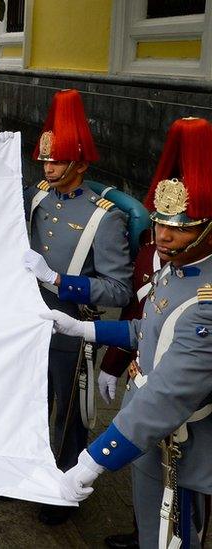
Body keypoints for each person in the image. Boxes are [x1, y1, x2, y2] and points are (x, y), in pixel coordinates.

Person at [48, 117, 212, 549]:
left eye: (180, 227)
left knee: (173, 540)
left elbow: (171, 393)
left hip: (180, 443)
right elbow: (148, 330)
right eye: (160, 222)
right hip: (143, 432)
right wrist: (85, 327)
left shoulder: (206, 297)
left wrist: (93, 460)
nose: (163, 235)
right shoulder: (178, 272)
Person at [22, 88, 133, 525]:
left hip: (71, 329)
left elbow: (119, 290)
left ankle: (64, 488)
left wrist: (58, 280)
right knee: (27, 402)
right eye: (45, 159)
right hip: (29, 320)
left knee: (67, 414)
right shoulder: (38, 197)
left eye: (57, 160)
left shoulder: (104, 217)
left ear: (80, 164)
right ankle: (24, 471)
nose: (47, 167)